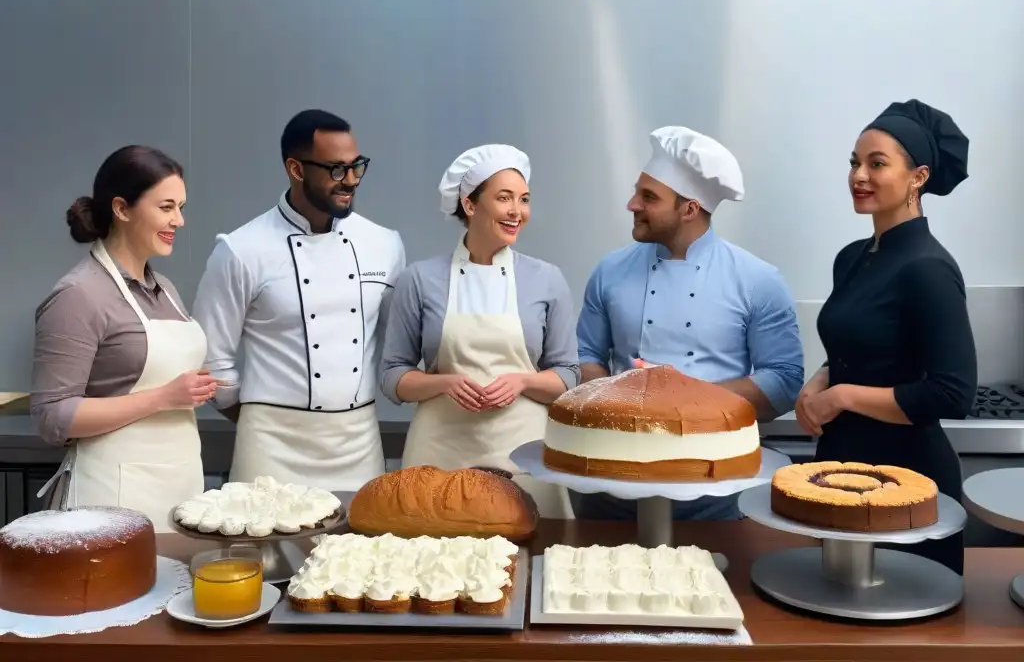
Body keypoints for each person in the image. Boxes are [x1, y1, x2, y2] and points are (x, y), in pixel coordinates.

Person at [574, 126, 804, 520]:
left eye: (648, 197)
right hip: (613, 481)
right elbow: (586, 355)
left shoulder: (758, 280)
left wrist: (683, 400)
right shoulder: (609, 272)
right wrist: (618, 403)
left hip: (716, 488)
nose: (632, 204)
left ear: (689, 209)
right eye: (637, 191)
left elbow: (783, 380)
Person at [797, 99, 976, 575]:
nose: (859, 175)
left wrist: (842, 397)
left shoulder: (930, 268)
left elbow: (952, 392)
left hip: (906, 481)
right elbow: (862, 346)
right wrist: (821, 379)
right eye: (855, 163)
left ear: (918, 177)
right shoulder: (851, 257)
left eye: (877, 164)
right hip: (839, 468)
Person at [192, 110, 405, 490]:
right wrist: (263, 420)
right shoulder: (241, 250)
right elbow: (211, 360)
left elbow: (393, 348)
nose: (351, 180)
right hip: (271, 447)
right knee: (264, 549)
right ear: (296, 168)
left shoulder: (385, 244)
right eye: (337, 170)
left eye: (357, 166)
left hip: (358, 442)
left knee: (359, 548)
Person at [379, 144, 580, 518]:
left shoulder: (547, 279)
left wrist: (522, 382)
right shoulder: (420, 280)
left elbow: (569, 375)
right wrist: (444, 383)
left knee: (527, 554)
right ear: (470, 205)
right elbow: (393, 377)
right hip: (439, 450)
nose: (517, 211)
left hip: (523, 450)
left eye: (524, 199)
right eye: (504, 198)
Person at [31, 145, 214, 531]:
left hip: (178, 488)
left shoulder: (164, 288)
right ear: (122, 208)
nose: (179, 221)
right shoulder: (80, 294)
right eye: (166, 207)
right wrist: (164, 397)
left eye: (181, 207)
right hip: (110, 500)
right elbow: (52, 416)